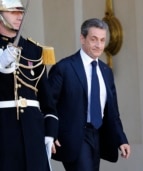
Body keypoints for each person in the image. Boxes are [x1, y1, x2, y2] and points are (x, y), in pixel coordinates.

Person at [48, 18, 131, 171]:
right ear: (82, 38)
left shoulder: (106, 72)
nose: (99, 45)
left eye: (102, 40)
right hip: (74, 138)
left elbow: (113, 112)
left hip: (98, 136)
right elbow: (48, 104)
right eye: (93, 39)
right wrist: (49, 133)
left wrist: (122, 139)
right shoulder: (64, 68)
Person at [0, 0, 58, 171]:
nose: (20, 16)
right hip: (4, 131)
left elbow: (47, 101)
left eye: (21, 11)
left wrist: (50, 132)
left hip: (33, 131)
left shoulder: (34, 50)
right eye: (13, 12)